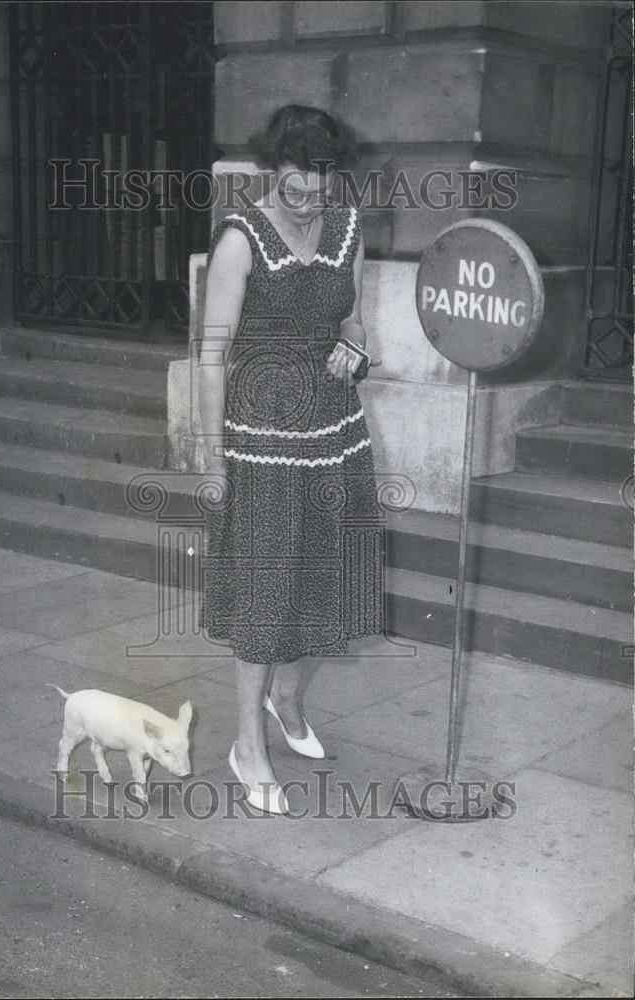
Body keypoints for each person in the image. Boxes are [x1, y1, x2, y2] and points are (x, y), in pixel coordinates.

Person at [198, 104, 384, 815]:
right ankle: (248, 744)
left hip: (336, 432)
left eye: (319, 187)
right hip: (261, 440)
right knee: (266, 591)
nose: (307, 201)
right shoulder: (241, 240)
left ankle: (287, 697)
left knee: (328, 579)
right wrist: (211, 460)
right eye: (293, 188)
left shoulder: (347, 230)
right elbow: (212, 354)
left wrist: (358, 350)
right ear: (269, 174)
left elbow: (355, 321)